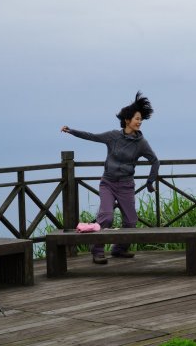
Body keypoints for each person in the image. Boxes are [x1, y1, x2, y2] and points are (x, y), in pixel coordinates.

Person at [61, 92, 160, 264]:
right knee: (106, 217)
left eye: (141, 119)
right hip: (108, 183)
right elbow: (92, 136)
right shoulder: (113, 136)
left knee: (131, 222)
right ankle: (97, 250)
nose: (140, 121)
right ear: (127, 120)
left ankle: (118, 249)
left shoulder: (141, 143)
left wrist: (150, 182)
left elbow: (155, 161)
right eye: (137, 118)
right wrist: (71, 131)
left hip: (126, 186)